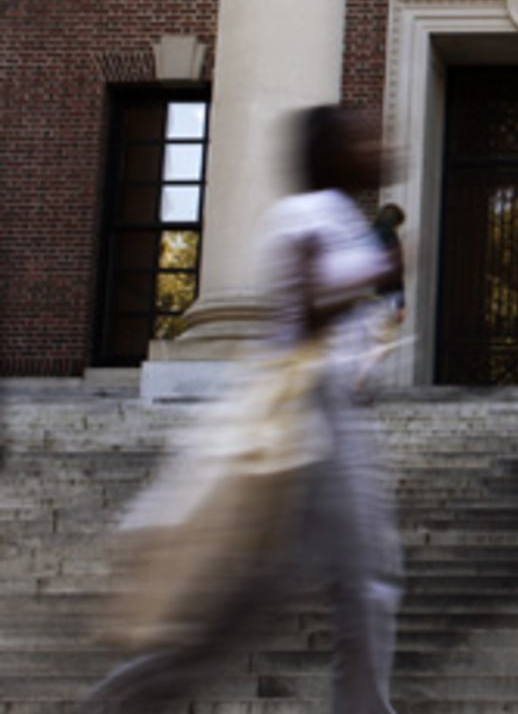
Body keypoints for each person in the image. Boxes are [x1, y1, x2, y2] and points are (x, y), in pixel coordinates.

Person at [84, 105, 404, 714]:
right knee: (349, 582)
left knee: (297, 589)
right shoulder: (304, 213)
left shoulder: (337, 215)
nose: (378, 145)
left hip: (325, 412)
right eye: (361, 138)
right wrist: (379, 264)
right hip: (307, 415)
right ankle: (123, 699)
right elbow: (309, 307)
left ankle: (126, 698)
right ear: (329, 154)